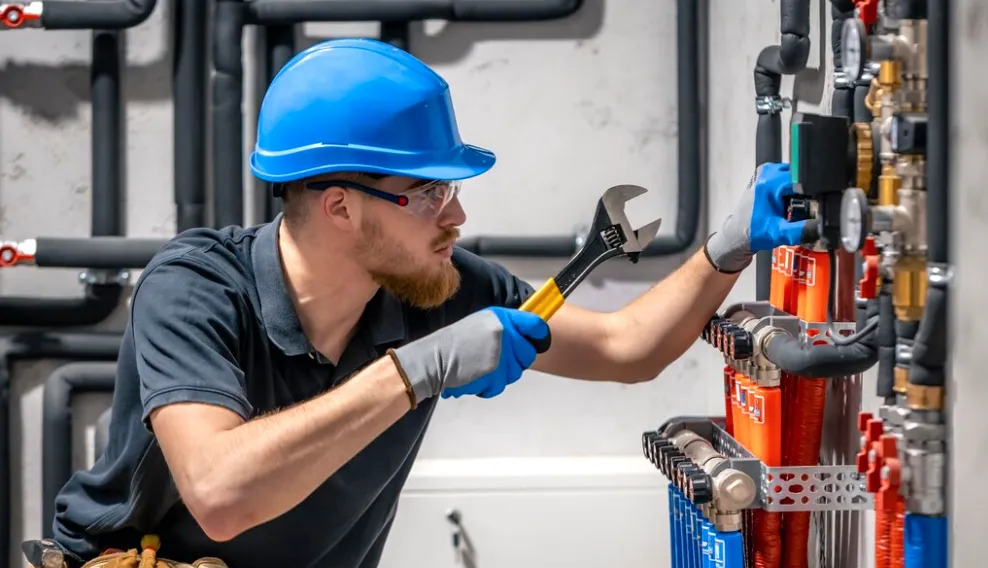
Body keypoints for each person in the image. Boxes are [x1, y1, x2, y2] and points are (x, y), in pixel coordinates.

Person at [34, 38, 807, 568]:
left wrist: (724, 250)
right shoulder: (194, 288)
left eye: (453, 190)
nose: (456, 217)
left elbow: (626, 349)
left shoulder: (437, 286)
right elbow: (222, 494)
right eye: (428, 193)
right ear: (340, 206)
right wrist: (413, 371)